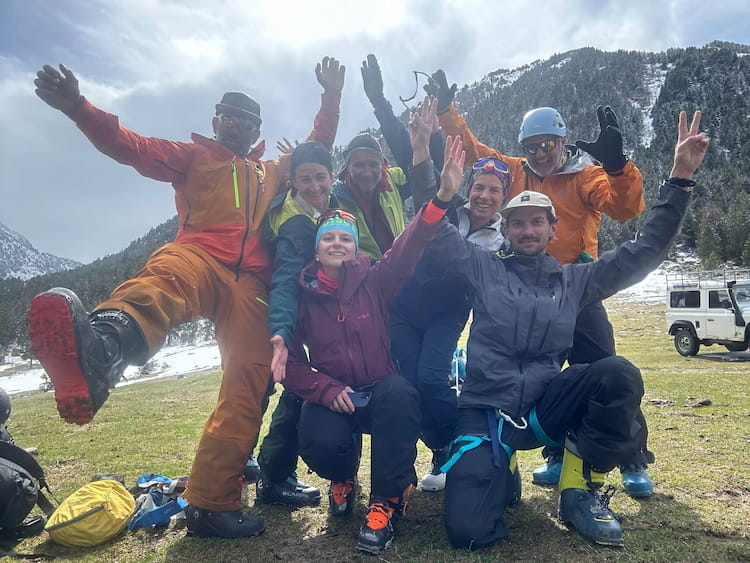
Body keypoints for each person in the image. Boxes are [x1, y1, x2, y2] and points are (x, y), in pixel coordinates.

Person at [27, 58, 344, 539]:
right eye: (227, 118)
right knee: (165, 278)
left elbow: (317, 142)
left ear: (257, 128)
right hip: (199, 255)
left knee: (249, 385)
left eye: (245, 121)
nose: (235, 126)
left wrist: (332, 95)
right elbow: (131, 146)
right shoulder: (192, 157)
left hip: (253, 287)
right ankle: (101, 349)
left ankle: (210, 505)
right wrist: (77, 106)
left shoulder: (272, 171)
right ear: (215, 122)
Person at [428, 110, 707, 549]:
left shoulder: (575, 280)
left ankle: (579, 488)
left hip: (544, 407)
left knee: (616, 373)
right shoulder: (481, 267)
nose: (527, 229)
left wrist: (680, 177)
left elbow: (645, 251)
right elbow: (432, 233)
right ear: (506, 227)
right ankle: (501, 465)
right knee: (469, 534)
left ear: (553, 228)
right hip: (485, 410)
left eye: (537, 221)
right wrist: (442, 192)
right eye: (517, 222)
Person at [427, 70, 654, 496]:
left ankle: (631, 457)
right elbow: (474, 150)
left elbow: (625, 209)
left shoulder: (586, 176)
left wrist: (618, 167)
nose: (540, 153)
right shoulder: (516, 172)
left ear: (563, 143)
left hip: (575, 288)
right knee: (541, 379)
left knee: (605, 369)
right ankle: (554, 454)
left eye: (547, 144)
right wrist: (446, 111)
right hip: (520, 290)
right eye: (531, 146)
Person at [282, 104, 464, 555]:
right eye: (328, 238)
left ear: (353, 245)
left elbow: (412, 241)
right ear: (318, 248)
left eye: (345, 237)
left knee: (402, 394)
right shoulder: (301, 293)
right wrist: (321, 388)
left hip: (380, 391)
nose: (338, 243)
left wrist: (439, 199)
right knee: (318, 439)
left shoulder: (377, 278)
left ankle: (387, 499)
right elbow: (285, 358)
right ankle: (342, 478)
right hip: (337, 394)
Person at [252, 140, 340, 507]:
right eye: (306, 179)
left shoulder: (321, 209)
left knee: (288, 392)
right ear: (292, 180)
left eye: (321, 177)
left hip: (306, 316)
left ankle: (267, 470)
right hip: (288, 318)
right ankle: (274, 479)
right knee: (295, 391)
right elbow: (287, 280)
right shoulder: (296, 224)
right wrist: (282, 336)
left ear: (332, 178)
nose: (315, 186)